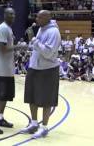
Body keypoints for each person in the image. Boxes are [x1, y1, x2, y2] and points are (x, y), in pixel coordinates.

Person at [0, 8, 26, 134]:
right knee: (1, 97)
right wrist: (19, 46)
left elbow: (7, 48)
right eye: (10, 14)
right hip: (0, 70)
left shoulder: (8, 28)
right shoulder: (2, 29)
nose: (13, 16)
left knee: (6, 95)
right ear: (5, 15)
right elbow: (2, 49)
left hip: (7, 69)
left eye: (14, 14)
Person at [21, 10, 61, 138]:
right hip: (35, 67)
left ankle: (44, 127)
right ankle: (34, 124)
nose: (36, 19)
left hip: (48, 69)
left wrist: (33, 39)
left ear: (47, 18)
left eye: (39, 17)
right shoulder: (41, 29)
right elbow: (37, 48)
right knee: (31, 97)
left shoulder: (54, 32)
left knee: (46, 100)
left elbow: (48, 53)